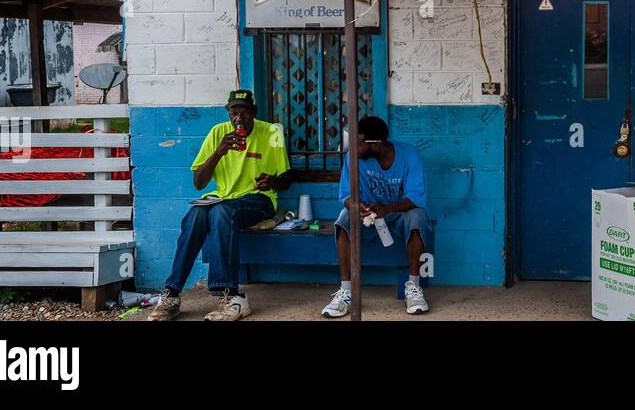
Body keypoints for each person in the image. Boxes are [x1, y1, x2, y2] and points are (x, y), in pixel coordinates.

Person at [149, 89, 291, 321]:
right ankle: (172, 293)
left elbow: (287, 178)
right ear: (228, 113)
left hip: (259, 200)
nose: (239, 118)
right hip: (224, 197)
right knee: (196, 214)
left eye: (245, 113)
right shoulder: (218, 133)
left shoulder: (272, 132)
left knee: (221, 212)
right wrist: (219, 152)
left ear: (254, 113)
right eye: (234, 113)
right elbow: (198, 182)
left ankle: (230, 295)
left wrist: (272, 181)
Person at [322, 115, 431, 317]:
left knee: (418, 216)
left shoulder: (409, 155)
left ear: (377, 143)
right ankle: (346, 291)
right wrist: (356, 206)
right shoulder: (353, 157)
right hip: (368, 216)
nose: (355, 147)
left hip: (398, 214)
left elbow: (416, 198)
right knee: (344, 218)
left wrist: (388, 208)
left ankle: (414, 289)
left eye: (360, 142)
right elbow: (345, 195)